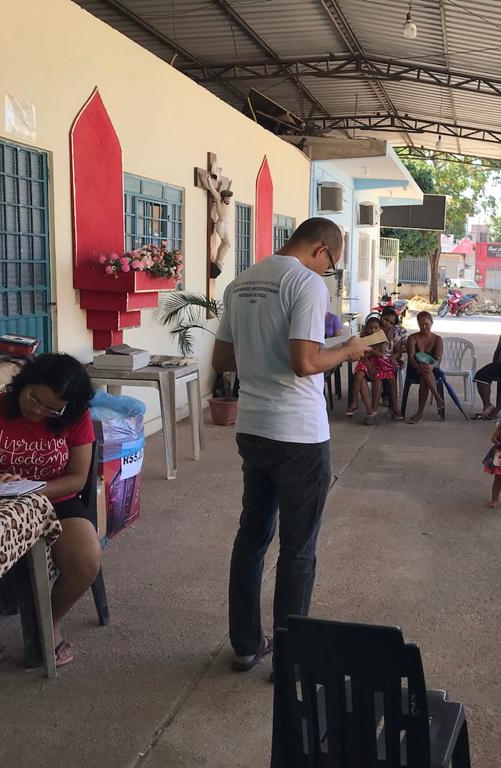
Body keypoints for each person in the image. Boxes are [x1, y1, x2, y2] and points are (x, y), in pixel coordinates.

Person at [213, 217, 366, 673]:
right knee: (299, 548)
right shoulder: (306, 282)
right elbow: (305, 363)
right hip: (299, 434)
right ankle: (291, 657)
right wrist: (349, 351)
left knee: (252, 537)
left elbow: (222, 358)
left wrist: (261, 352)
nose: (328, 273)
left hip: (254, 427)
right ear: (322, 249)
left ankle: (244, 645)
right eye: (332, 264)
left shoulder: (241, 281)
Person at [0, 353, 98, 684]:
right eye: (34, 398)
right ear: (23, 382)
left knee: (86, 561)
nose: (37, 410)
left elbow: (77, 478)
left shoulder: (75, 418)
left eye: (51, 409)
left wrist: (29, 487)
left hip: (57, 500)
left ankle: (48, 624)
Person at [349, 316, 401, 425]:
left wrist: (371, 350)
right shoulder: (364, 338)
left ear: (379, 328)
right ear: (366, 328)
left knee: (381, 379)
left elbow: (381, 354)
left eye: (375, 328)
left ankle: (377, 409)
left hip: (378, 363)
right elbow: (361, 355)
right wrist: (370, 352)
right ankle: (356, 403)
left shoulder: (382, 338)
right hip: (365, 363)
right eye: (370, 328)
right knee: (358, 376)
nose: (372, 330)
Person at [405, 311, 446, 424]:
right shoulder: (412, 338)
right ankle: (437, 397)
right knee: (424, 370)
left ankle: (419, 413)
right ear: (418, 324)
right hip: (414, 368)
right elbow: (411, 357)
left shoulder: (438, 339)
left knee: (425, 377)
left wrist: (431, 366)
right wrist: (418, 366)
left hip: (432, 369)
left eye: (426, 324)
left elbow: (438, 360)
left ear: (431, 323)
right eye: (421, 324)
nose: (424, 327)